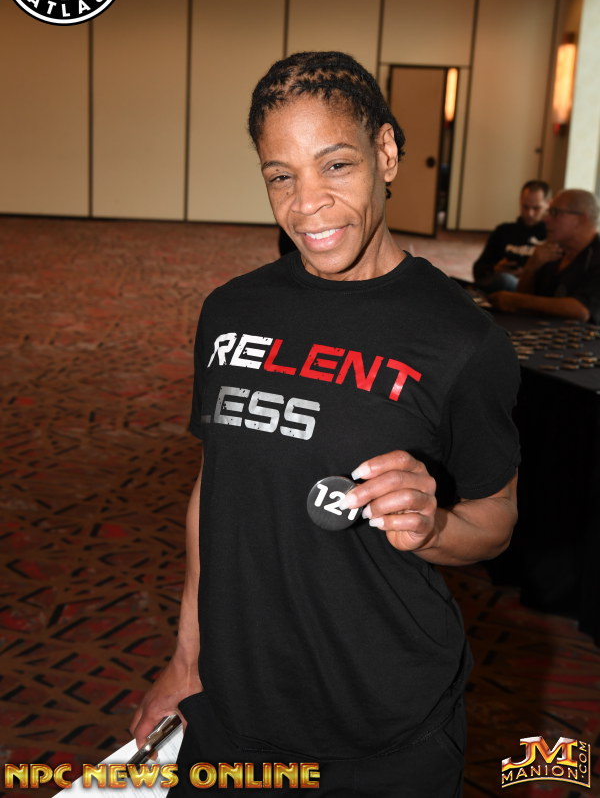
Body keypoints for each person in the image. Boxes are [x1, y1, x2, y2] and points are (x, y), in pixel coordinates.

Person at [131, 51, 520, 797]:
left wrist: (433, 526)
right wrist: (187, 661)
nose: (307, 204)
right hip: (238, 706)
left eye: (335, 165)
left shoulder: (460, 340)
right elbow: (217, 493)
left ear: (386, 153)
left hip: (382, 723)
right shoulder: (232, 311)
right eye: (281, 176)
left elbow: (496, 518)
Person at [489, 188, 600, 323]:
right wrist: (531, 267)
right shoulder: (553, 251)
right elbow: (526, 299)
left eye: (555, 213)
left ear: (581, 220)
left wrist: (516, 300)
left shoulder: (596, 256)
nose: (546, 219)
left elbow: (582, 310)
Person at [472, 180, 550, 292]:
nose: (530, 213)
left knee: (505, 280)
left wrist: (527, 273)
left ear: (548, 204)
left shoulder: (552, 235)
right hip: (498, 284)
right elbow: (478, 269)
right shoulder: (503, 230)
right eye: (525, 207)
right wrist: (495, 269)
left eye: (536, 208)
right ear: (520, 202)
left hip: (530, 290)